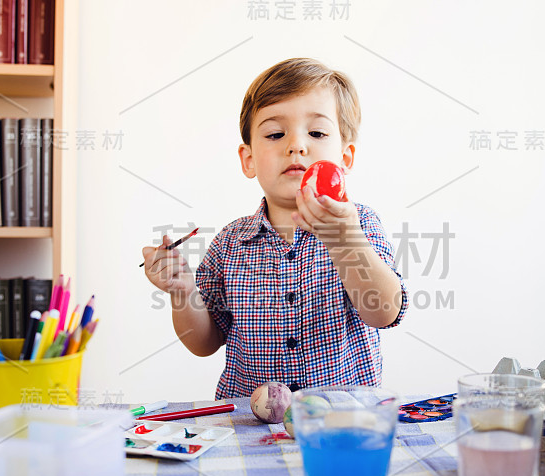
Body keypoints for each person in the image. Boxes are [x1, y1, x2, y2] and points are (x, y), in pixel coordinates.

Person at [142, 58, 408, 399]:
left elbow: (384, 312)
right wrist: (181, 291)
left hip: (342, 422)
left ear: (345, 157)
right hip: (248, 429)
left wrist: (346, 243)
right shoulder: (230, 243)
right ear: (248, 159)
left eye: (316, 133)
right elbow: (204, 342)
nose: (296, 145)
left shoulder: (360, 224)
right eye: (275, 134)